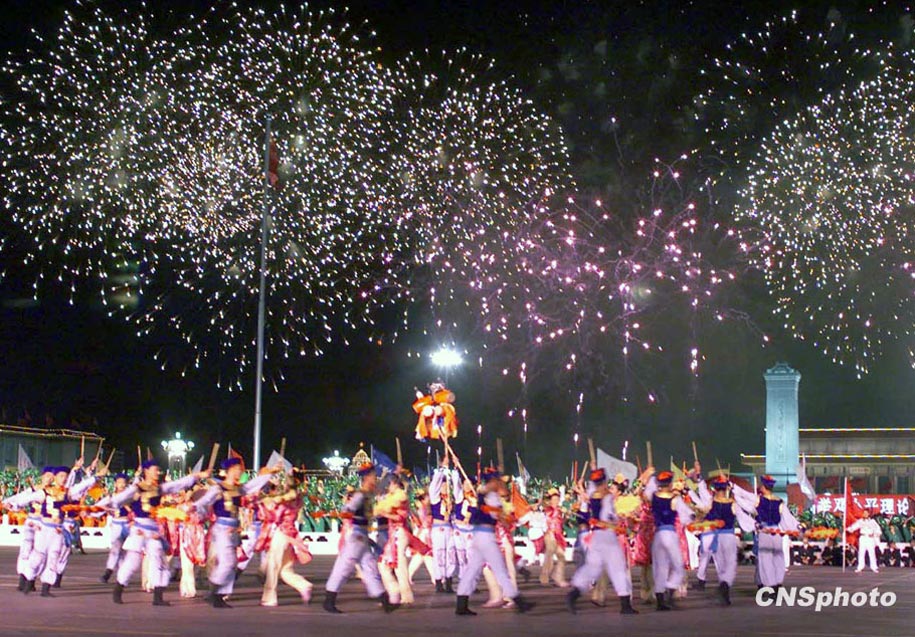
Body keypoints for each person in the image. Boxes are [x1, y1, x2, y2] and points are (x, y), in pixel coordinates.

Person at [111, 459, 209, 606]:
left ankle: (158, 597)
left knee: (160, 561)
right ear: (146, 471)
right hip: (139, 529)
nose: (158, 472)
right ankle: (118, 590)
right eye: (155, 470)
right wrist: (98, 508)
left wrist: (198, 476)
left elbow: (177, 484)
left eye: (158, 470)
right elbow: (116, 500)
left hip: (153, 529)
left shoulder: (159, 488)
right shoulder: (136, 488)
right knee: (132, 562)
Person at [195, 458, 277, 608]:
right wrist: (193, 510)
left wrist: (269, 474)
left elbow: (252, 485)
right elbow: (203, 502)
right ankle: (213, 592)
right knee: (227, 562)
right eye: (238, 469)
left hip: (233, 530)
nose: (240, 472)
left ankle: (219, 596)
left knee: (232, 563)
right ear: (230, 470)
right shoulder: (218, 488)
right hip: (222, 529)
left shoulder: (238, 489)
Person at [455, 467, 534, 616]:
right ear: (492, 481)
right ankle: (519, 601)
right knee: (500, 570)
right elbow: (495, 513)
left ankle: (461, 603)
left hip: (481, 535)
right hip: (486, 536)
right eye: (497, 479)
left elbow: (495, 512)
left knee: (472, 570)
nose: (499, 482)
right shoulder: (488, 495)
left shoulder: (486, 494)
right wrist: (505, 517)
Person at [323, 462, 398, 614]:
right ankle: (329, 600)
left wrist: (394, 473)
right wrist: (345, 513)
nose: (375, 478)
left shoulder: (367, 494)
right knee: (344, 567)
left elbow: (380, 487)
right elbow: (347, 509)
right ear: (367, 477)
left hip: (363, 536)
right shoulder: (360, 495)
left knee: (370, 568)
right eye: (373, 475)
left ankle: (385, 601)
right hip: (357, 537)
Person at [566, 468, 638, 615]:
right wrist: (620, 521)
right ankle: (625, 605)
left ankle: (573, 594)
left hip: (596, 537)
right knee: (618, 569)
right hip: (608, 537)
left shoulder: (591, 497)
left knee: (592, 568)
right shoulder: (608, 498)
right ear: (604, 482)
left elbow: (582, 517)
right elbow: (610, 517)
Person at [693, 472, 755, 606]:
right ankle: (725, 586)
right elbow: (743, 518)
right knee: (730, 564)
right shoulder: (733, 504)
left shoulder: (710, 502)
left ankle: (724, 587)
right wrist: (755, 525)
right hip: (728, 537)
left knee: (721, 565)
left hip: (716, 537)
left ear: (715, 488)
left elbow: (703, 493)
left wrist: (699, 479)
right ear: (727, 488)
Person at [733, 475, 799, 591]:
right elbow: (787, 518)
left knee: (765, 559)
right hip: (776, 533)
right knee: (778, 557)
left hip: (765, 532)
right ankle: (778, 583)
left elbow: (745, 496)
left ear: (763, 487)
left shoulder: (759, 500)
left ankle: (770, 585)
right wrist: (797, 527)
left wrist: (733, 489)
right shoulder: (779, 502)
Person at [257, 472, 314, 607]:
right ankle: (303, 585)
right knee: (285, 569)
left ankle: (269, 598)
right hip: (290, 534)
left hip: (281, 533)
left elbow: (274, 515)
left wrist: (267, 502)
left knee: (273, 566)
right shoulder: (298, 498)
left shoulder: (287, 498)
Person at [642, 469, 694, 610]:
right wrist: (693, 518)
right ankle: (669, 591)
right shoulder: (675, 499)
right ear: (670, 484)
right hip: (670, 534)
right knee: (678, 567)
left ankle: (660, 600)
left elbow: (647, 490)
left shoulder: (653, 496)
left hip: (658, 534)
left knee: (660, 568)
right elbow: (686, 517)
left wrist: (650, 475)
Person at [2, 466, 54, 593]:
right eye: (47, 476)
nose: (49, 479)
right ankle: (22, 580)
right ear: (42, 476)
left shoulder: (53, 492)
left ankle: (31, 580)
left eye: (52, 477)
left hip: (44, 525)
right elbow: (20, 498)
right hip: (31, 521)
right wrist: (8, 502)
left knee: (40, 553)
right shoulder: (33, 490)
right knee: (26, 550)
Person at [94, 472, 132, 583]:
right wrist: (107, 509)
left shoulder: (131, 496)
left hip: (129, 524)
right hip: (117, 525)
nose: (122, 485)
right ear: (115, 484)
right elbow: (98, 507)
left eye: (124, 483)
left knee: (127, 552)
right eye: (119, 482)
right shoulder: (111, 497)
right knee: (116, 549)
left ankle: (122, 575)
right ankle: (109, 571)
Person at [429, 457, 459, 593]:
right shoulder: (436, 498)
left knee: (451, 555)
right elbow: (434, 486)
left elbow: (457, 488)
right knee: (439, 554)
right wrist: (442, 468)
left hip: (449, 528)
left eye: (446, 485)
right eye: (442, 485)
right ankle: (438, 581)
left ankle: (449, 581)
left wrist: (455, 469)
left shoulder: (451, 500)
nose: (444, 487)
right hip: (438, 529)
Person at [540, 487, 569, 587]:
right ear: (551, 500)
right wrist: (559, 510)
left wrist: (565, 515)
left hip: (558, 535)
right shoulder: (549, 509)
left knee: (562, 557)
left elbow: (561, 523)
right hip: (550, 534)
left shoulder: (559, 510)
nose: (556, 501)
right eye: (554, 499)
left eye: (557, 499)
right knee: (549, 556)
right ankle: (544, 576)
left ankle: (558, 577)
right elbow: (548, 517)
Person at [848, 509, 882, 573]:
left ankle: (874, 567)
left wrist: (875, 534)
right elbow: (854, 527)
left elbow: (878, 529)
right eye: (864, 513)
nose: (865, 514)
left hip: (870, 538)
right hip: (863, 537)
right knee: (861, 552)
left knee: (871, 553)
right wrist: (848, 529)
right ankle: (860, 567)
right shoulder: (860, 521)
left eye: (866, 513)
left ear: (868, 514)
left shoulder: (872, 521)